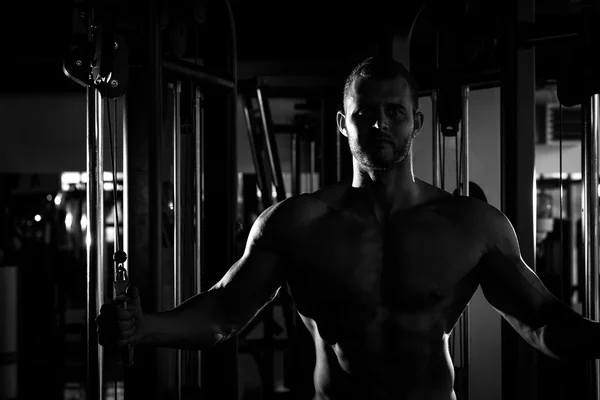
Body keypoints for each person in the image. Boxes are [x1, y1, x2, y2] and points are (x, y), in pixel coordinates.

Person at [97, 56, 600, 400]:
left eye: (395, 112)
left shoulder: (470, 225)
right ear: (343, 123)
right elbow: (224, 314)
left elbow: (540, 322)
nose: (380, 124)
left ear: (417, 123)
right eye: (365, 114)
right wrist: (147, 328)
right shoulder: (297, 223)